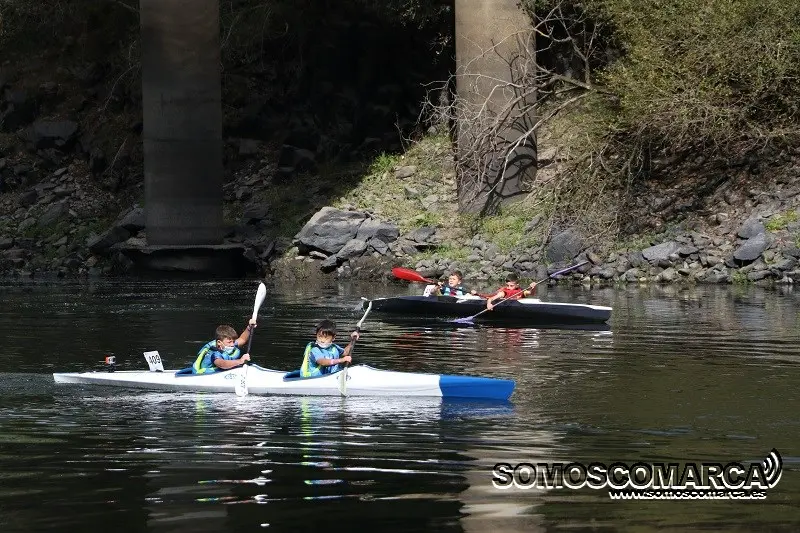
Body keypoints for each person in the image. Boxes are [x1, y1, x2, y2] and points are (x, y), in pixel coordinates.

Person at [191, 318, 257, 374]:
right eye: (229, 342)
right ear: (219, 342)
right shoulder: (213, 354)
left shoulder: (229, 345)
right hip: (204, 376)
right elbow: (222, 364)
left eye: (233, 341)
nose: (232, 344)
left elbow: (242, 339)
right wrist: (240, 361)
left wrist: (249, 328)